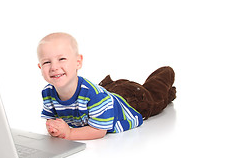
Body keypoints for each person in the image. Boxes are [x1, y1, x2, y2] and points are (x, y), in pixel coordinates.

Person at [37, 32, 175, 140]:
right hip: (108, 95)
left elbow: (99, 131)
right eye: (46, 62)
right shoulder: (47, 93)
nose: (54, 67)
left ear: (78, 62)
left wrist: (70, 133)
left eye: (62, 59)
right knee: (111, 93)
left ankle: (165, 77)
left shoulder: (94, 96)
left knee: (154, 97)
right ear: (40, 67)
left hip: (131, 103)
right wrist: (53, 127)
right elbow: (51, 118)